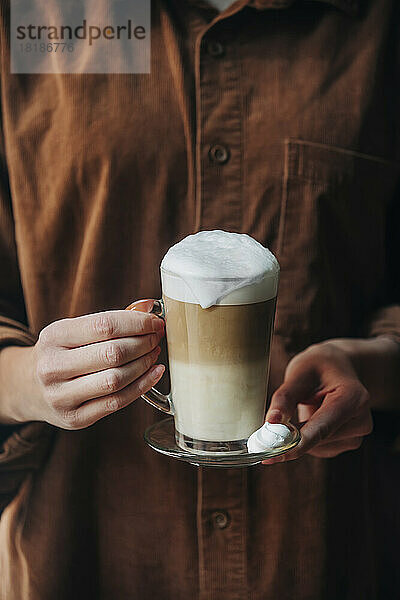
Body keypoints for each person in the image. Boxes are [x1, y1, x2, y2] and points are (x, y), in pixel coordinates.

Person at [0, 0, 399, 598]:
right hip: (86, 553)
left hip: (321, 556)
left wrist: (366, 362)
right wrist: (31, 379)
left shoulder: (381, 26)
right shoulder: (34, 18)